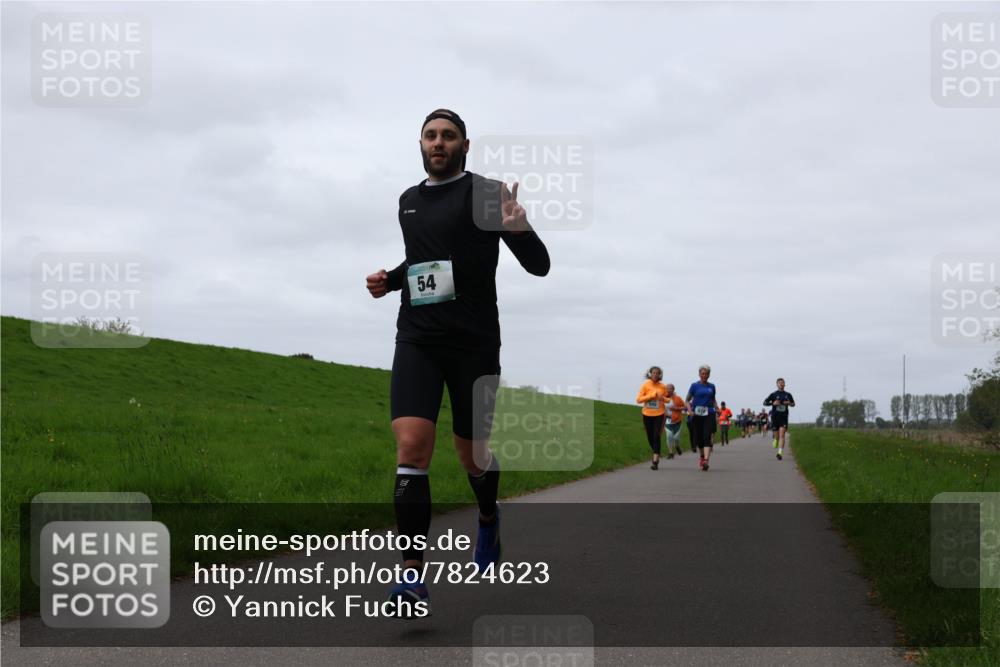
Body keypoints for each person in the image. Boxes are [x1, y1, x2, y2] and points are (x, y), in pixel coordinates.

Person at [366, 109, 550, 615]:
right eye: (431, 135)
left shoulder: (487, 194)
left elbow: (539, 266)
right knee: (411, 445)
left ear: (465, 145)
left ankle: (488, 516)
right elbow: (427, 261)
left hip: (474, 343)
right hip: (418, 339)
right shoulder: (408, 201)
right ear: (421, 144)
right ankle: (410, 577)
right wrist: (392, 280)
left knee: (473, 456)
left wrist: (520, 229)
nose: (438, 142)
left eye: (448, 135)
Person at [685, 364, 719, 471]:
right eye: (702, 373)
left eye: (706, 373)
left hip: (709, 413)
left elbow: (713, 399)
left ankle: (706, 461)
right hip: (696, 414)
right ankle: (702, 456)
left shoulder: (712, 386)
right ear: (699, 374)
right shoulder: (694, 386)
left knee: (707, 436)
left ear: (709, 375)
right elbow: (687, 400)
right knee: (699, 438)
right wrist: (690, 411)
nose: (704, 375)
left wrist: (716, 408)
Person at [636, 367, 669, 470]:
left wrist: (662, 398)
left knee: (656, 436)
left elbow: (668, 399)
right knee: (650, 437)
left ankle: (655, 461)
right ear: (650, 374)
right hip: (647, 414)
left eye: (657, 373)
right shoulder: (645, 385)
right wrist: (651, 395)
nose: (655, 374)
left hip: (659, 414)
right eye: (653, 373)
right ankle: (656, 451)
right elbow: (638, 400)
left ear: (660, 375)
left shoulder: (663, 386)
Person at [764, 378, 796, 460]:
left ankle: (780, 453)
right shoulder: (773, 394)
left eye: (783, 383)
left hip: (783, 417)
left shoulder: (788, 394)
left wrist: (789, 403)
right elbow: (764, 402)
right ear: (777, 384)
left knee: (782, 435)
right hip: (775, 417)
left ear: (784, 384)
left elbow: (793, 404)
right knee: (776, 436)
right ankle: (775, 439)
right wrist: (773, 403)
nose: (782, 384)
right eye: (780, 383)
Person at [664, 383, 687, 458]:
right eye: (667, 388)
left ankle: (677, 446)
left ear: (673, 390)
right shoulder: (663, 398)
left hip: (677, 421)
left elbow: (685, 407)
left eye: (670, 388)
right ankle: (671, 452)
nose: (668, 390)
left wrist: (676, 409)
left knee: (676, 438)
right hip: (667, 420)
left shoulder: (678, 398)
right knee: (669, 436)